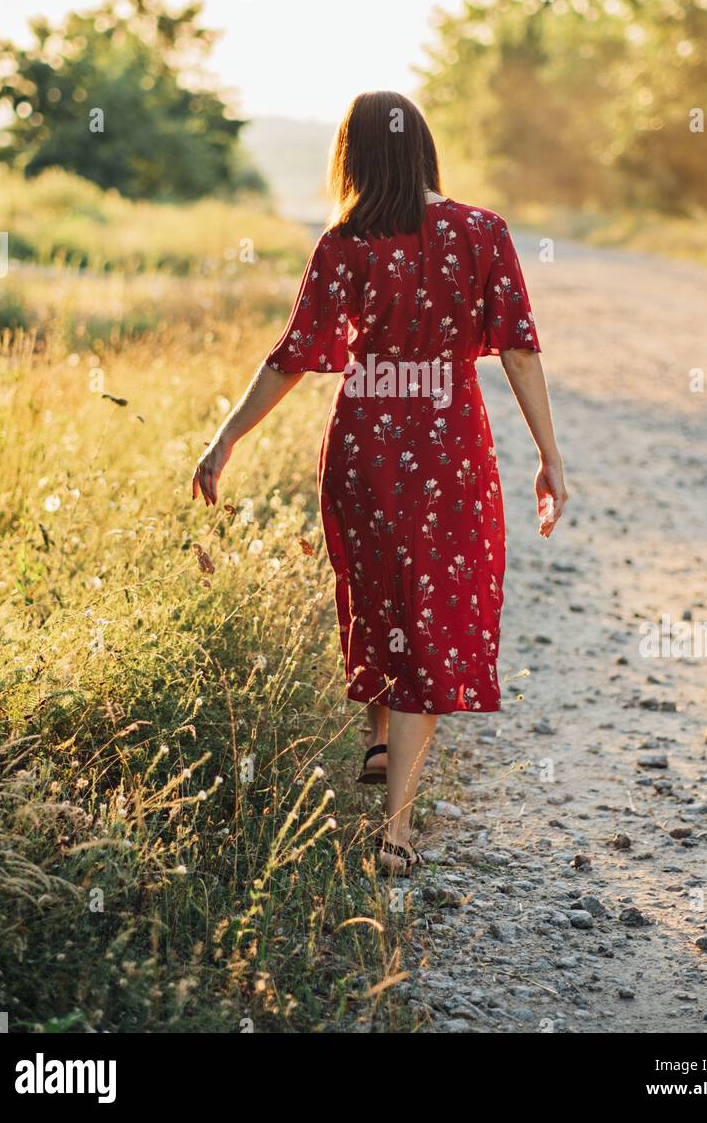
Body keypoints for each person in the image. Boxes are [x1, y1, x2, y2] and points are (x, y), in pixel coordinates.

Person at [192, 91, 568, 874]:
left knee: (375, 591)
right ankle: (394, 832)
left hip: (363, 446)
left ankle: (375, 737)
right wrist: (549, 457)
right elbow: (522, 354)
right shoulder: (483, 232)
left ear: (354, 158)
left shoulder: (345, 241)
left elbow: (291, 356)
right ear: (423, 148)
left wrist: (225, 440)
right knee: (434, 608)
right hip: (449, 452)